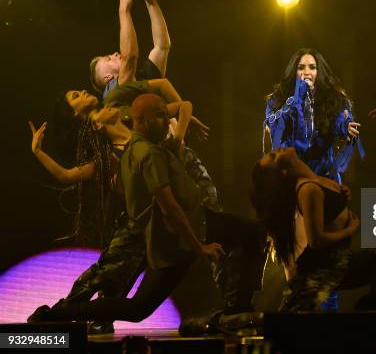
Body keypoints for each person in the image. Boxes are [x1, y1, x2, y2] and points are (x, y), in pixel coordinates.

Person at [28, 94, 231, 324]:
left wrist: (178, 139)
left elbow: (184, 105)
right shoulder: (106, 158)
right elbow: (66, 176)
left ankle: (231, 306)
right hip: (139, 226)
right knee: (103, 277)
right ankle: (57, 316)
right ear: (94, 123)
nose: (84, 92)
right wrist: (38, 152)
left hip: (166, 221)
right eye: (76, 95)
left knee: (132, 294)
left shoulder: (139, 126)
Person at [251, 147, 376, 311]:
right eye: (274, 156)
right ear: (284, 171)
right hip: (325, 265)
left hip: (341, 258)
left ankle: (372, 306)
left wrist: (341, 194)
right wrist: (350, 229)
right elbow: (316, 241)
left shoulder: (317, 180)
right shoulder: (308, 189)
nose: (277, 149)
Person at [264, 48, 362, 184]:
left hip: (324, 176)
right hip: (291, 176)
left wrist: (345, 127)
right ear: (294, 72)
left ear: (318, 72)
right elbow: (275, 134)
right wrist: (299, 98)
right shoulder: (277, 100)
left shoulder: (333, 99)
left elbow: (339, 121)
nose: (306, 72)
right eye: (301, 68)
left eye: (312, 67)